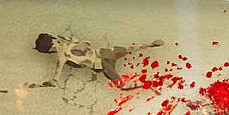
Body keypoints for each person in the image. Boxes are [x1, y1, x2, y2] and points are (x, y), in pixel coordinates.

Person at [33, 32, 163, 86]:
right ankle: (151, 44)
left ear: (49, 49)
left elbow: (56, 76)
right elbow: (83, 42)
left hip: (100, 63)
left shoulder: (62, 55)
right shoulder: (67, 40)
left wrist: (50, 82)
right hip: (102, 53)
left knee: (121, 84)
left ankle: (147, 85)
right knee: (128, 49)